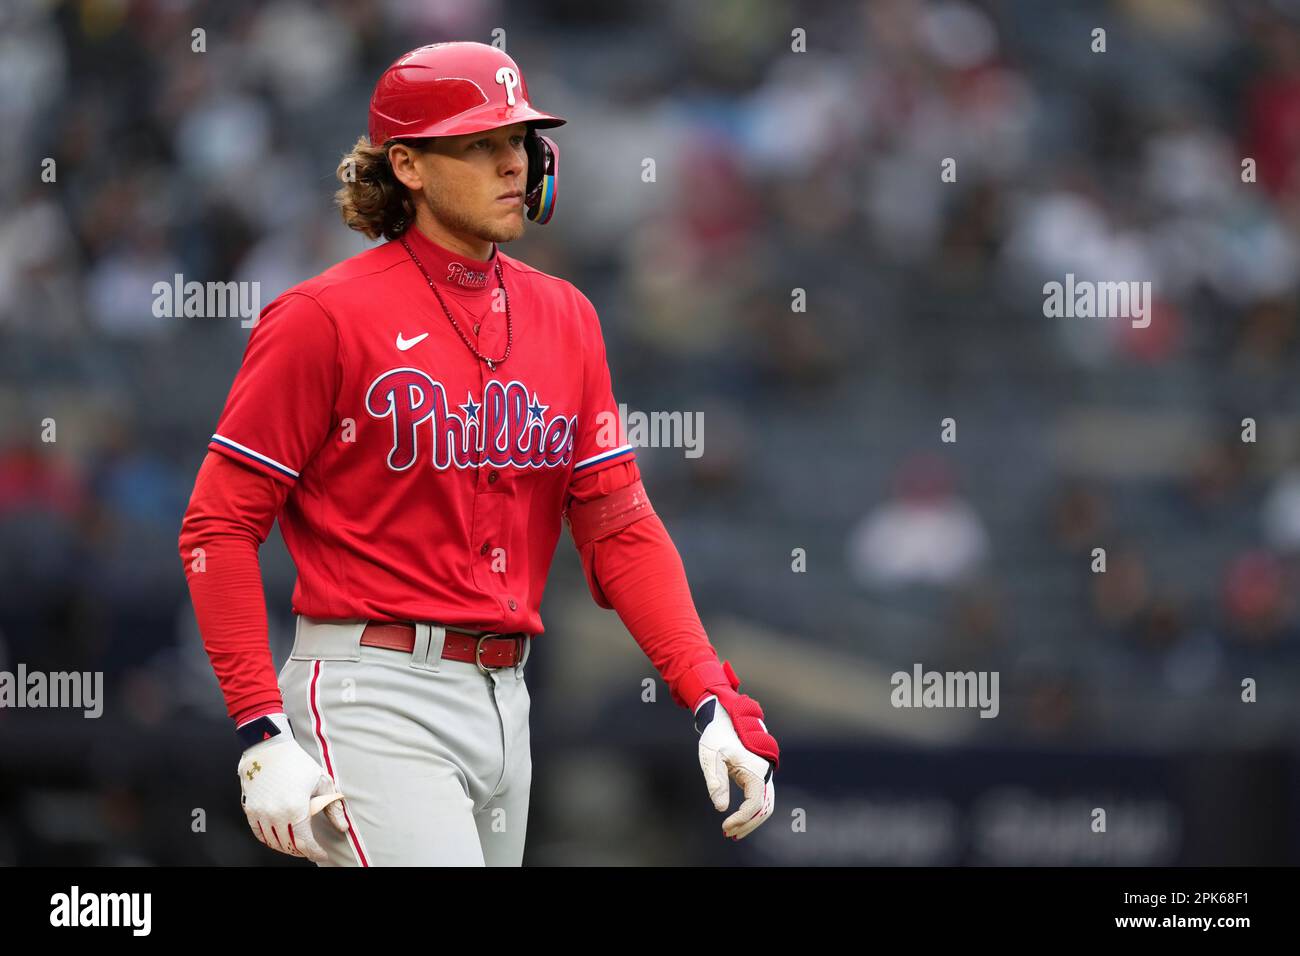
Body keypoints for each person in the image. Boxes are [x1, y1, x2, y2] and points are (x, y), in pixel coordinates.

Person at [177, 41, 779, 866]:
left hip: (506, 698)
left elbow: (619, 529)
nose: (511, 162)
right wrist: (258, 727)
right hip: (370, 690)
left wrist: (710, 692)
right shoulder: (322, 317)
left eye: (519, 141)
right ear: (409, 166)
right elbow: (217, 525)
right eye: (480, 143)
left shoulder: (566, 316)